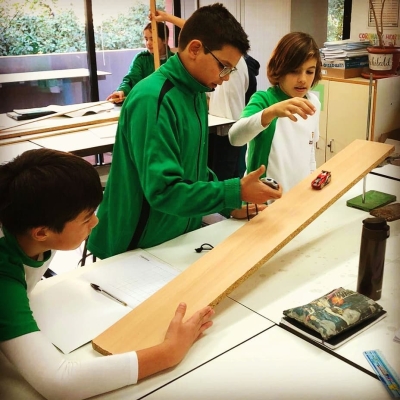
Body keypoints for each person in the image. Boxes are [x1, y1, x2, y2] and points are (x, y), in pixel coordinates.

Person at [0, 148, 214, 399]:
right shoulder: (4, 273)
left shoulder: (33, 225)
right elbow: (60, 383)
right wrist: (169, 352)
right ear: (41, 233)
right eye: (86, 218)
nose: (95, 222)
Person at [88, 3, 282, 260]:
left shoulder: (196, 93)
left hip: (173, 238)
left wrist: (229, 204)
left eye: (230, 70)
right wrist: (234, 192)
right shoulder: (153, 99)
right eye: (223, 66)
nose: (225, 78)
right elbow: (164, 191)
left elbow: (196, 170)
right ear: (195, 49)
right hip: (134, 247)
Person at [229, 32, 322, 193]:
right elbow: (235, 138)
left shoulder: (313, 102)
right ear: (280, 68)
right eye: (295, 71)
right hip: (264, 198)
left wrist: (311, 182)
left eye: (309, 72)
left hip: (299, 197)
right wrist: (270, 112)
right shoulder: (264, 100)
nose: (303, 79)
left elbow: (310, 150)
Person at [106, 21, 174, 103]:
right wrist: (122, 91)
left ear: (165, 40)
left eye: (152, 39)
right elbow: (130, 80)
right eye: (146, 39)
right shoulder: (141, 59)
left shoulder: (174, 61)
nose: (148, 43)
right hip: (145, 103)